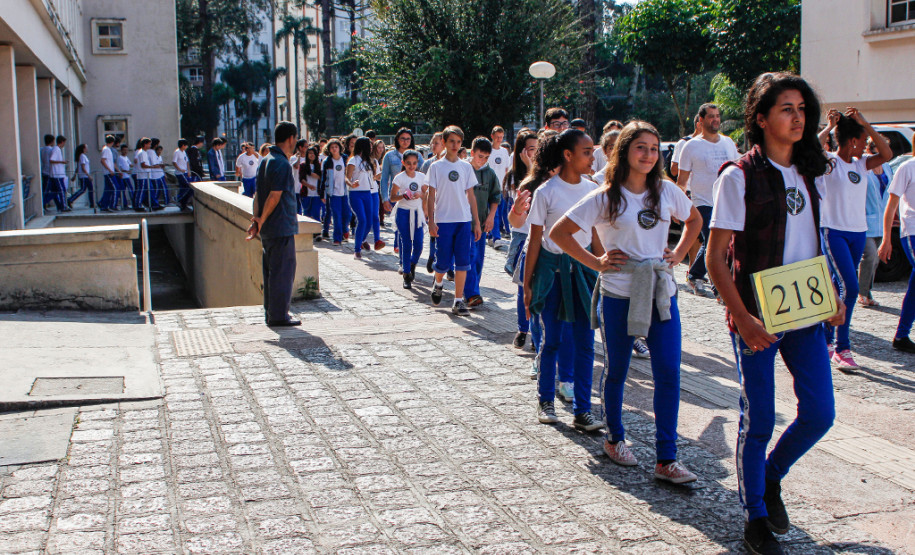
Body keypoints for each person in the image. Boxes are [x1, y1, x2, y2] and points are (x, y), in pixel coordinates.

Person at [705, 72, 845, 555]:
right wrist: (742, 318)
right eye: (787, 108)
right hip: (757, 317)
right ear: (761, 119)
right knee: (759, 417)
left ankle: (769, 475)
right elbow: (714, 257)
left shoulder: (812, 171)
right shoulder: (738, 176)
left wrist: (832, 293)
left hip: (806, 314)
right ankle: (755, 518)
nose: (798, 117)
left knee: (820, 414)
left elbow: (814, 244)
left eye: (802, 109)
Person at [552, 121, 702, 482]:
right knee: (618, 368)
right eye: (641, 147)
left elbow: (695, 220)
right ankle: (615, 439)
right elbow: (560, 233)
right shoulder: (605, 196)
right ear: (624, 151)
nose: (649, 154)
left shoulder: (666, 191)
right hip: (619, 294)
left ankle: (667, 458)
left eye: (654, 148)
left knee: (668, 371)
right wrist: (597, 262)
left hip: (660, 293)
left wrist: (679, 254)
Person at [521, 129, 603, 431]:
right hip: (552, 273)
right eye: (586, 152)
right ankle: (545, 400)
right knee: (552, 339)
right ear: (567, 155)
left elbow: (594, 235)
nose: (591, 157)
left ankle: (583, 410)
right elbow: (535, 240)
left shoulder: (592, 189)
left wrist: (603, 269)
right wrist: (528, 285)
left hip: (583, 273)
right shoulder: (546, 191)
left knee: (585, 343)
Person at [815, 108, 892, 369]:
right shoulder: (829, 161)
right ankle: (842, 347)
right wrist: (829, 127)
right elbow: (811, 148)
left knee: (838, 287)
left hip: (857, 232)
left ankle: (825, 338)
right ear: (852, 141)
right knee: (851, 286)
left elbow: (887, 153)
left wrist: (865, 124)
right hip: (833, 231)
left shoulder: (862, 164)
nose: (866, 145)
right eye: (862, 140)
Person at [676, 104, 740, 298]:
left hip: (726, 201)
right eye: (711, 116)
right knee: (713, 240)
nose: (716, 120)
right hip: (702, 201)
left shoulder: (728, 142)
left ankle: (695, 274)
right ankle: (718, 287)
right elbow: (681, 180)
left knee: (722, 242)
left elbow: (737, 170)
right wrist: (679, 207)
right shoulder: (691, 146)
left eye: (718, 116)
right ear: (701, 121)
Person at [246, 121, 301, 328]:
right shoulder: (281, 162)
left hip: (270, 227)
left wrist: (257, 219)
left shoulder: (265, 159)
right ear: (291, 138)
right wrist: (261, 219)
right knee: (282, 271)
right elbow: (274, 196)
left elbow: (258, 194)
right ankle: (279, 315)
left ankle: (271, 312)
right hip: (280, 225)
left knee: (271, 271)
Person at [426, 125, 482, 315]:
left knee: (463, 262)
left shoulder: (466, 166)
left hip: (463, 220)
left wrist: (476, 222)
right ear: (443, 142)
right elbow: (430, 196)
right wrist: (431, 221)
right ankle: (438, 282)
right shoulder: (436, 167)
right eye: (451, 141)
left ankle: (458, 301)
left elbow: (471, 196)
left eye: (458, 142)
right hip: (443, 220)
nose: (455, 145)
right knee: (442, 262)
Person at [504, 129, 540, 352]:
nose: (534, 154)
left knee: (539, 287)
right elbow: (519, 213)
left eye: (537, 149)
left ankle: (537, 336)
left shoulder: (546, 175)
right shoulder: (515, 176)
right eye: (530, 150)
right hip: (522, 235)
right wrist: (529, 167)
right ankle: (522, 329)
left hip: (542, 238)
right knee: (522, 285)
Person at [878, 148, 915, 353]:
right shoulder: (906, 167)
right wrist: (886, 240)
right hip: (912, 232)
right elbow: (891, 205)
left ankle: (901, 336)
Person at [464, 137, 502, 307]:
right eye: (480, 156)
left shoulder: (489, 174)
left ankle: (473, 291)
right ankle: (472, 293)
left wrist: (491, 216)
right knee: (469, 256)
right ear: (472, 153)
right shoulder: (463, 169)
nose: (483, 160)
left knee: (478, 259)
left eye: (487, 157)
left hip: (482, 222)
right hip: (464, 222)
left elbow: (495, 196)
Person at [859, 138, 894, 307]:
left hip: (882, 222)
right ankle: (861, 292)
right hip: (865, 220)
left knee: (876, 260)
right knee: (870, 256)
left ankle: (867, 292)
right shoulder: (864, 165)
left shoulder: (887, 167)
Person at [390, 150, 427, 289]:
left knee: (418, 244)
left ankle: (412, 264)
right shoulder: (399, 178)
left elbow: (426, 193)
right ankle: (406, 274)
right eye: (409, 163)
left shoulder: (422, 176)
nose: (412, 166)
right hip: (403, 212)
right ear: (403, 163)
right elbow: (392, 197)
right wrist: (402, 196)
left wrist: (420, 194)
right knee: (406, 243)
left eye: (414, 163)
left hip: (417, 212)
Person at [346, 137, 382, 259]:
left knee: (369, 220)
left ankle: (362, 240)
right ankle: (357, 250)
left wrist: (380, 176)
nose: (372, 148)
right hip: (355, 193)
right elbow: (347, 177)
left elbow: (373, 178)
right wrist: (351, 184)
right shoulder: (353, 160)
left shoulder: (369, 162)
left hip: (368, 193)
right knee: (362, 219)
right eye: (370, 145)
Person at [422, 131, 445, 272]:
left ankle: (446, 264)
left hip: (447, 205)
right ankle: (432, 256)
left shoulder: (454, 163)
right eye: (434, 143)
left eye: (439, 143)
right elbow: (423, 186)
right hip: (433, 203)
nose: (435, 146)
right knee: (434, 232)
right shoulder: (428, 164)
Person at [321, 139, 350, 245]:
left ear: (339, 148)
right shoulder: (327, 161)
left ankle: (345, 230)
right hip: (333, 193)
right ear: (329, 149)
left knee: (347, 214)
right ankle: (337, 238)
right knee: (336, 215)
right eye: (332, 147)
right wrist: (322, 193)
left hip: (346, 191)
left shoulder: (345, 159)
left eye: (336, 147)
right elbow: (323, 178)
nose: (334, 149)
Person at [488, 126, 512, 244]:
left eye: (501, 137)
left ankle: (490, 234)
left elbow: (506, 169)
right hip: (490, 187)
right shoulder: (488, 151)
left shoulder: (504, 151)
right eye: (497, 137)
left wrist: (505, 186)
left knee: (501, 211)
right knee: (495, 213)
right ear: (492, 136)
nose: (499, 139)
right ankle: (496, 237)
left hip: (502, 187)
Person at [301, 145, 324, 229]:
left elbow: (323, 178)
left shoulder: (319, 165)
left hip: (317, 194)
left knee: (316, 212)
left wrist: (317, 176)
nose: (312, 155)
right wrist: (309, 185)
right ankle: (307, 231)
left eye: (313, 153)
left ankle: (317, 232)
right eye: (310, 153)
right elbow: (301, 179)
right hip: (306, 193)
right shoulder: (303, 165)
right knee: (307, 213)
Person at [67, 144, 95, 208]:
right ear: (83, 149)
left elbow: (78, 167)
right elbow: (82, 167)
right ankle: (70, 199)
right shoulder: (82, 156)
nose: (87, 148)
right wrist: (88, 175)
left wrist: (75, 175)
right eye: (86, 147)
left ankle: (92, 203)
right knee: (83, 189)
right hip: (84, 176)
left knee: (90, 189)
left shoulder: (82, 156)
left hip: (85, 176)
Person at [48, 135, 70, 212]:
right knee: (62, 190)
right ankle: (63, 206)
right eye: (64, 142)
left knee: (55, 192)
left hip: (57, 174)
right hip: (57, 174)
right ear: (62, 142)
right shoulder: (56, 149)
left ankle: (59, 206)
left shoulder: (56, 149)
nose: (64, 144)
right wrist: (62, 162)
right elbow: (51, 160)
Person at [97, 135, 118, 212]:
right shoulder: (106, 149)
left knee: (108, 189)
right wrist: (110, 170)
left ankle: (104, 205)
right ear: (112, 142)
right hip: (108, 173)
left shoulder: (107, 149)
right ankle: (112, 205)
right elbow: (103, 160)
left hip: (109, 172)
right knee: (115, 188)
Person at [173, 139, 193, 211]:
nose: (187, 147)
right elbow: (174, 162)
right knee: (188, 186)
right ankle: (179, 199)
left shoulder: (184, 152)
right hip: (180, 173)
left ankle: (182, 202)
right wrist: (180, 169)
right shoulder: (177, 152)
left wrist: (188, 170)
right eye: (186, 145)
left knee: (184, 188)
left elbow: (187, 161)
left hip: (185, 172)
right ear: (183, 145)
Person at [149, 142, 170, 207]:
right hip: (155, 175)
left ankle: (167, 202)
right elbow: (154, 165)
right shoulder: (153, 155)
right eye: (158, 150)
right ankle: (154, 202)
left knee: (164, 188)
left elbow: (161, 165)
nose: (159, 152)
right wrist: (160, 165)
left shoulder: (160, 157)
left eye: (161, 150)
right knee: (157, 189)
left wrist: (164, 172)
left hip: (161, 174)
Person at [116, 143, 134, 210]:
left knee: (129, 189)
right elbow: (121, 168)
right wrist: (127, 171)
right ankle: (125, 204)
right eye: (124, 150)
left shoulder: (126, 157)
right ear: (121, 151)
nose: (125, 151)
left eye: (126, 150)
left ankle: (131, 203)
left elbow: (130, 164)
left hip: (127, 176)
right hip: (124, 176)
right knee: (126, 190)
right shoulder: (120, 158)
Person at [40, 134, 55, 208]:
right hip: (49, 172)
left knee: (45, 189)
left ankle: (44, 203)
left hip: (44, 171)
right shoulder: (51, 150)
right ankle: (43, 203)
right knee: (51, 190)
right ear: (52, 141)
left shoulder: (41, 149)